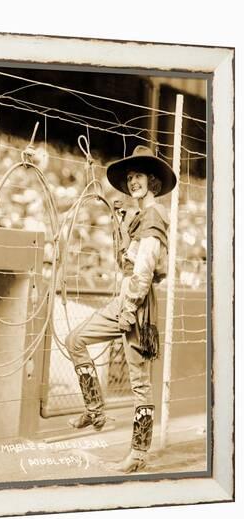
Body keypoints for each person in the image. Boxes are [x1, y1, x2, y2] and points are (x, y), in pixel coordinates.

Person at [64, 145, 176, 473]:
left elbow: (146, 269)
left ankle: (137, 455)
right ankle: (96, 409)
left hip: (137, 305)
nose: (132, 182)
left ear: (152, 181)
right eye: (129, 178)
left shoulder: (153, 215)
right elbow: (131, 259)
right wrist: (123, 231)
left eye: (138, 175)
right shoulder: (140, 216)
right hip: (127, 298)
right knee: (76, 340)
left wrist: (129, 307)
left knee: (139, 382)